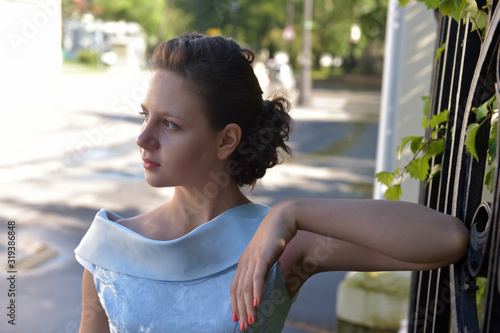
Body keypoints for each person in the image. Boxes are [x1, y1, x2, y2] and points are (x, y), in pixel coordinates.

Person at [75, 32, 469, 333]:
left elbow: (448, 239)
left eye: (170, 124)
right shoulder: (108, 250)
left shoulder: (284, 245)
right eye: (145, 116)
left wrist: (291, 212)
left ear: (226, 139)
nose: (143, 138)